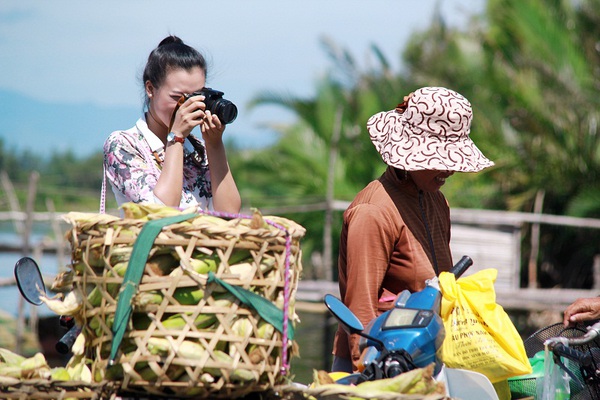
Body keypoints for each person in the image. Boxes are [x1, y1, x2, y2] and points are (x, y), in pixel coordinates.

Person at [331, 86, 495, 373]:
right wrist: (374, 373)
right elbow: (360, 311)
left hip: (425, 357)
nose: (449, 170)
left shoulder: (436, 202)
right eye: (440, 160)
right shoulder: (374, 212)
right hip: (382, 363)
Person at [102, 35, 241, 214]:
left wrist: (214, 145)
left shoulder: (198, 149)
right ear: (150, 89)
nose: (188, 106)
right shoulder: (123, 144)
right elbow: (160, 213)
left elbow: (229, 214)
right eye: (178, 97)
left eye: (197, 96)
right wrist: (176, 138)